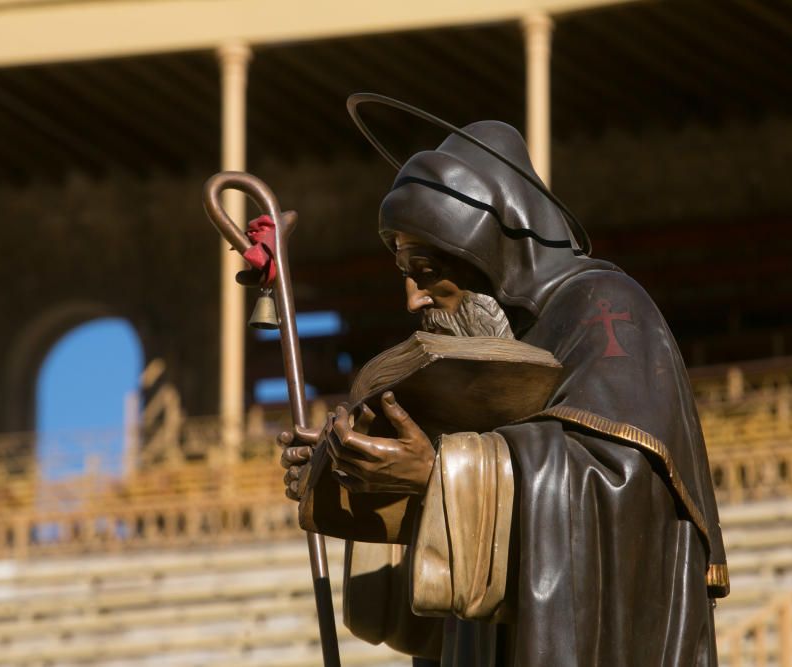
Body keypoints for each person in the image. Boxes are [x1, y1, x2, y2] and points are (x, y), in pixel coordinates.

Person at [279, 115, 728, 666]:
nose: (412, 300)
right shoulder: (487, 343)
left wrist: (438, 475)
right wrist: (352, 479)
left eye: (425, 269)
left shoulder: (605, 307)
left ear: (487, 255)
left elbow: (625, 496)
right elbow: (431, 611)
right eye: (403, 271)